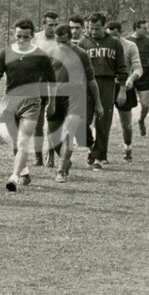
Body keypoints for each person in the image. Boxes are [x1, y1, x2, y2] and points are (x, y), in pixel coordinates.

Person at [0, 19, 56, 192]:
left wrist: (52, 102)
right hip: (10, 100)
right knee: (15, 142)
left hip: (32, 101)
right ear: (14, 35)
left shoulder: (40, 55)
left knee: (23, 140)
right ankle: (24, 172)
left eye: (25, 37)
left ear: (32, 36)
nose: (21, 40)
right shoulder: (5, 53)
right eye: (18, 36)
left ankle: (14, 176)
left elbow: (52, 80)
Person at [47, 24, 101, 182]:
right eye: (58, 41)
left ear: (70, 39)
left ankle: (61, 171)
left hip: (75, 96)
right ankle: (66, 162)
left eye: (64, 41)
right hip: (56, 96)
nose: (60, 45)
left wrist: (98, 103)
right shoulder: (51, 53)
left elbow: (91, 80)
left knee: (68, 134)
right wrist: (47, 100)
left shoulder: (82, 54)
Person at [82, 12, 127, 170]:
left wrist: (122, 90)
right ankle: (91, 147)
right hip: (86, 84)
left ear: (104, 26)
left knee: (103, 121)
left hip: (106, 83)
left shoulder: (114, 43)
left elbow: (122, 68)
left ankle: (99, 158)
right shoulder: (82, 43)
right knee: (82, 121)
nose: (93, 32)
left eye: (97, 28)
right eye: (91, 28)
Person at [106, 21, 143, 162]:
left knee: (126, 124)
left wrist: (131, 79)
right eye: (109, 35)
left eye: (115, 35)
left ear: (121, 33)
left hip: (124, 87)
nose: (112, 38)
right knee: (102, 122)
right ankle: (99, 153)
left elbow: (138, 68)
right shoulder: (104, 46)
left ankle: (128, 147)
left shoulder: (130, 46)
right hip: (107, 87)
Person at [32, 11, 60, 168]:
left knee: (52, 121)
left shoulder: (61, 39)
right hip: (39, 83)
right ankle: (38, 157)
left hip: (56, 84)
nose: (54, 28)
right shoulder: (36, 38)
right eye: (51, 25)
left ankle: (51, 155)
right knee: (37, 123)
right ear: (43, 25)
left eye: (56, 25)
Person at [127, 19, 149, 137]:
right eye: (144, 28)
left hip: (144, 74)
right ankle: (127, 126)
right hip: (130, 74)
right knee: (127, 105)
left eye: (147, 27)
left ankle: (141, 120)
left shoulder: (148, 41)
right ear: (136, 28)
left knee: (145, 105)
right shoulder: (127, 40)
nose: (147, 30)